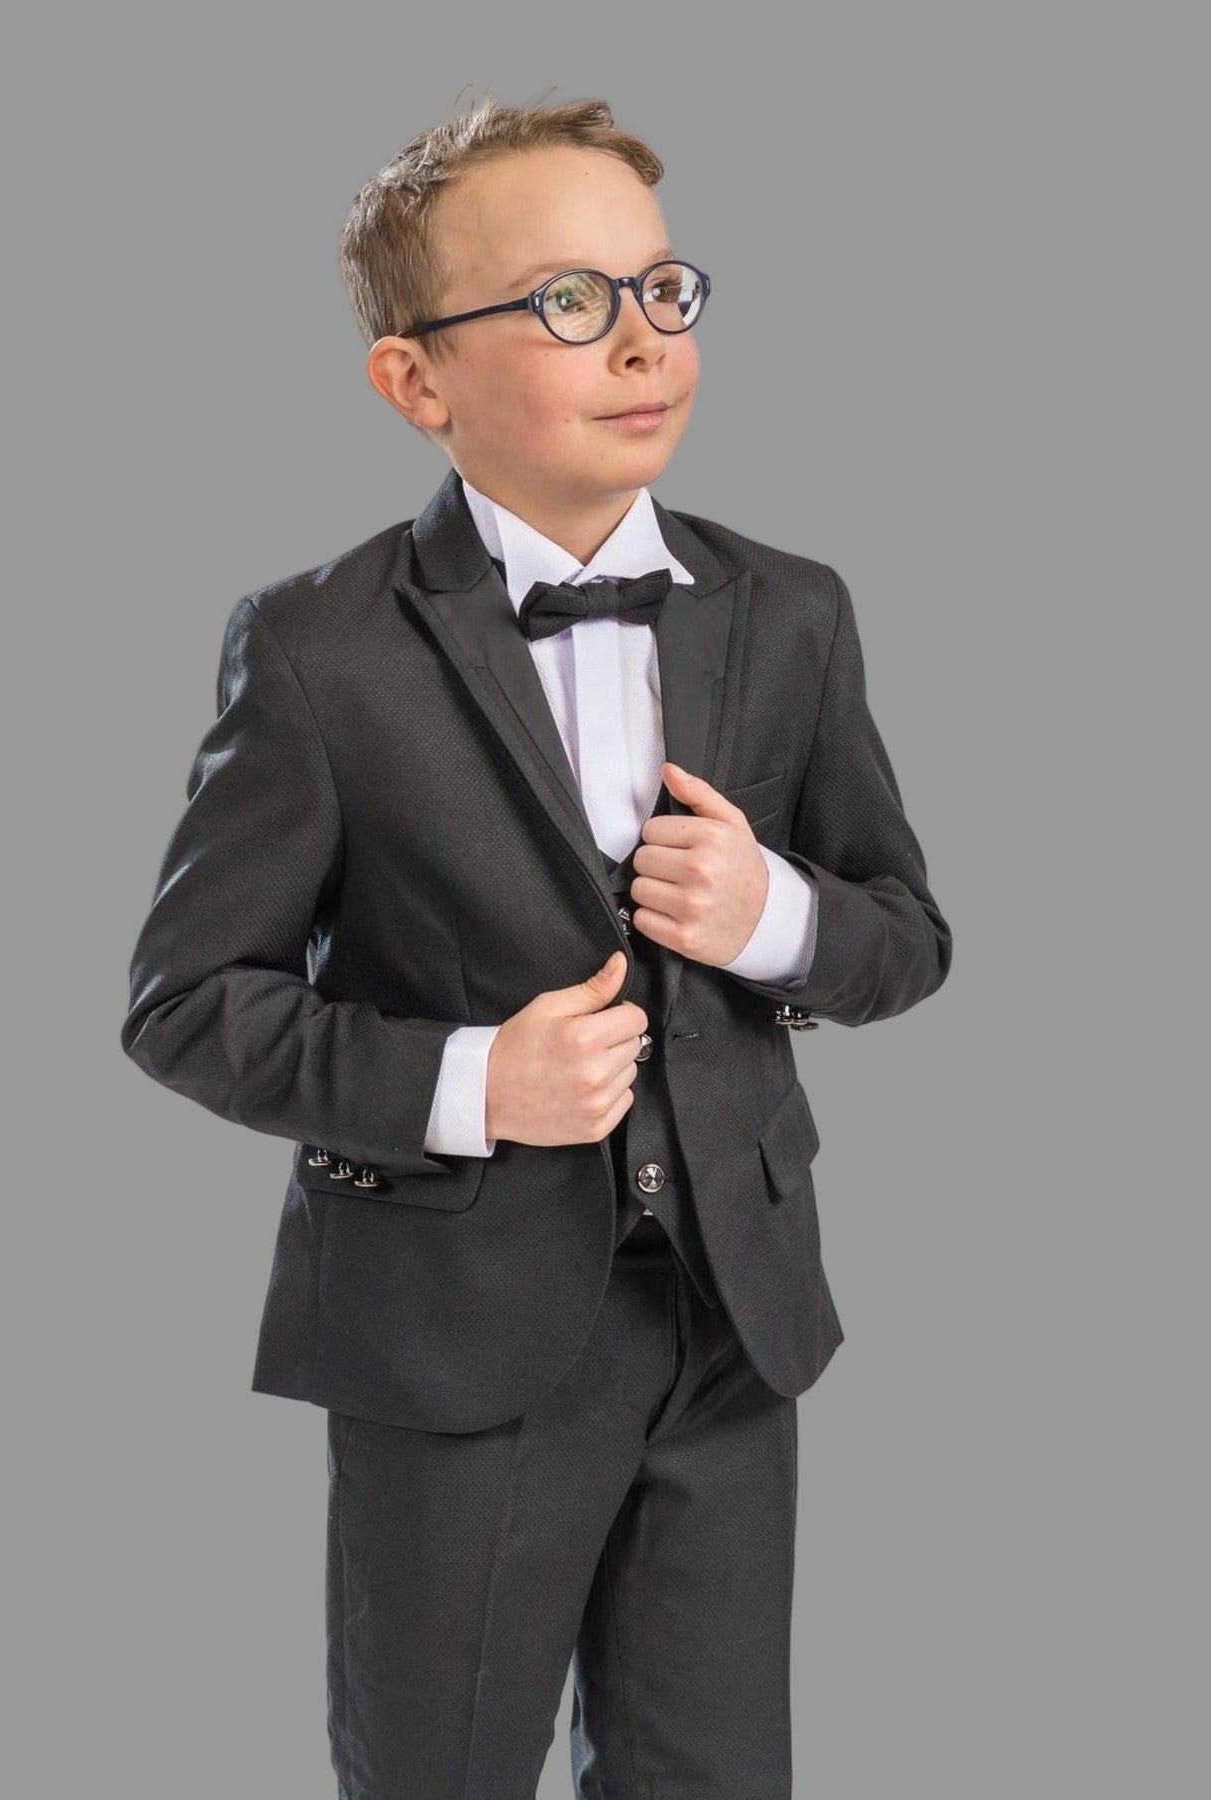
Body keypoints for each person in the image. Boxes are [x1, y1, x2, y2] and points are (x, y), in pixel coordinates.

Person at [120, 93, 952, 1800]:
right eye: (569, 302)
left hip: (731, 1321)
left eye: (663, 288)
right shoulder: (317, 649)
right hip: (453, 1340)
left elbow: (905, 937)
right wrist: (469, 1081)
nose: (642, 339)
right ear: (416, 381)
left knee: (718, 1771)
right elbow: (187, 1004)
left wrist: (778, 917)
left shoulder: (792, 609)